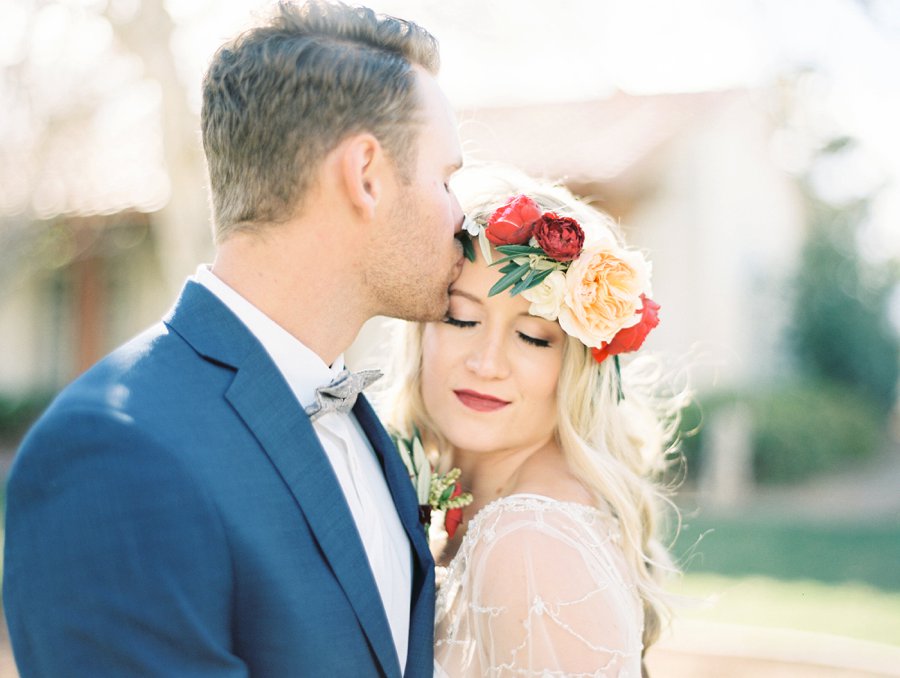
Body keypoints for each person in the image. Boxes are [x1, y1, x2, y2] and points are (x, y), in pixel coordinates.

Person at [3, 2, 464, 676]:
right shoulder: (115, 451)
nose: (461, 216)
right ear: (365, 174)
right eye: (446, 179)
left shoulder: (364, 428)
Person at [386, 169, 681, 677]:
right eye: (460, 319)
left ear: (575, 368)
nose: (487, 362)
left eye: (533, 337)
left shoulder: (527, 539)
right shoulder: (470, 508)